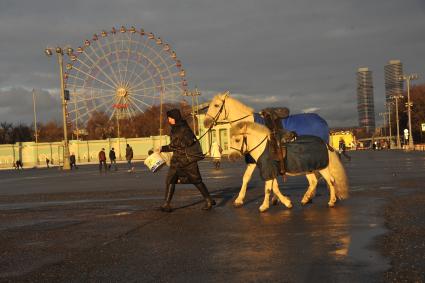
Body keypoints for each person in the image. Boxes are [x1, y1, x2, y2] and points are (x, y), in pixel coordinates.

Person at [159, 108, 216, 212]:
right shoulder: (175, 128)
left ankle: (208, 200)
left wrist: (162, 148)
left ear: (175, 118)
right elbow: (176, 145)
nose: (169, 120)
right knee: (170, 180)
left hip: (187, 161)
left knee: (197, 181)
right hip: (177, 160)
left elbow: (177, 145)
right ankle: (166, 204)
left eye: (170, 118)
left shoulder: (182, 128)